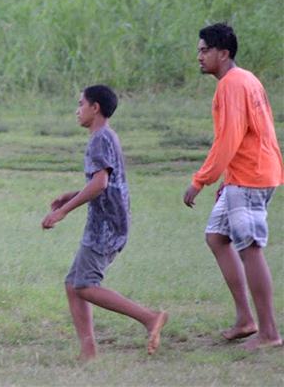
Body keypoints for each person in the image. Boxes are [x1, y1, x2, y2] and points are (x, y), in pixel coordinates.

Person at [42, 85, 168, 361]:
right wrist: (72, 195)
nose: (77, 110)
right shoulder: (108, 136)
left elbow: (100, 184)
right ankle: (88, 351)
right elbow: (105, 184)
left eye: (81, 104)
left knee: (85, 285)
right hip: (110, 220)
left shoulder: (99, 139)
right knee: (73, 282)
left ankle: (149, 318)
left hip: (106, 225)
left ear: (95, 107)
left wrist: (64, 211)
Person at [183, 23, 283, 350]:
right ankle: (245, 320)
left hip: (251, 176)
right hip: (245, 175)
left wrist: (201, 180)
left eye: (204, 50)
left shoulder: (231, 85)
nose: (199, 56)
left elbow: (229, 139)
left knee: (249, 247)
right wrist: (226, 180)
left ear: (223, 53)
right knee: (216, 236)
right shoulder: (246, 79)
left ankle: (268, 333)